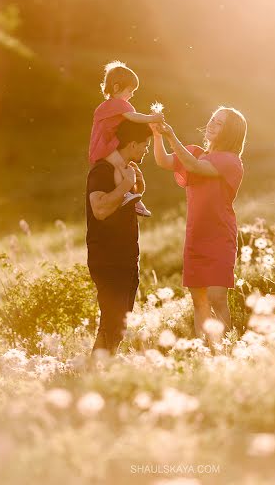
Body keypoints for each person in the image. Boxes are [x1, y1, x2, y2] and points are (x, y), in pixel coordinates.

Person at [151, 106, 247, 340]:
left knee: (216, 297)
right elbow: (163, 160)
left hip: (219, 237)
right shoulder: (193, 152)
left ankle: (224, 349)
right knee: (199, 301)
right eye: (213, 119)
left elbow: (195, 168)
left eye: (219, 123)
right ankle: (204, 352)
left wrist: (172, 136)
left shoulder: (231, 162)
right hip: (195, 237)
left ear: (230, 132)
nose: (212, 124)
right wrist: (156, 134)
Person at [86, 120, 152, 354]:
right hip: (108, 258)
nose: (146, 150)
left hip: (126, 258)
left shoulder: (127, 171)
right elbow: (100, 209)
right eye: (145, 145)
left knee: (120, 324)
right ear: (132, 144)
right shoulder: (102, 170)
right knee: (112, 323)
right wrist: (126, 185)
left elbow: (122, 207)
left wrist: (137, 190)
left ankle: (103, 368)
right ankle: (95, 372)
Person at [88, 60, 163, 218]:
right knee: (121, 166)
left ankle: (129, 195)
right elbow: (134, 117)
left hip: (102, 144)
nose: (132, 94)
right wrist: (152, 118)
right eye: (130, 90)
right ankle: (126, 194)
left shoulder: (106, 106)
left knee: (120, 166)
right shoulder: (118, 105)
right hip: (105, 146)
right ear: (116, 88)